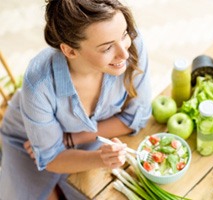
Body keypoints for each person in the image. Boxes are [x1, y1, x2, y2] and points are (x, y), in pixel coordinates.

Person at [0, 0, 152, 199]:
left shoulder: (132, 46)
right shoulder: (39, 83)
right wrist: (101, 158)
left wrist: (74, 139)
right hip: (27, 141)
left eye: (124, 34)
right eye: (107, 48)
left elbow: (136, 117)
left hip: (88, 137)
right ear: (70, 51)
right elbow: (53, 158)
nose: (124, 52)